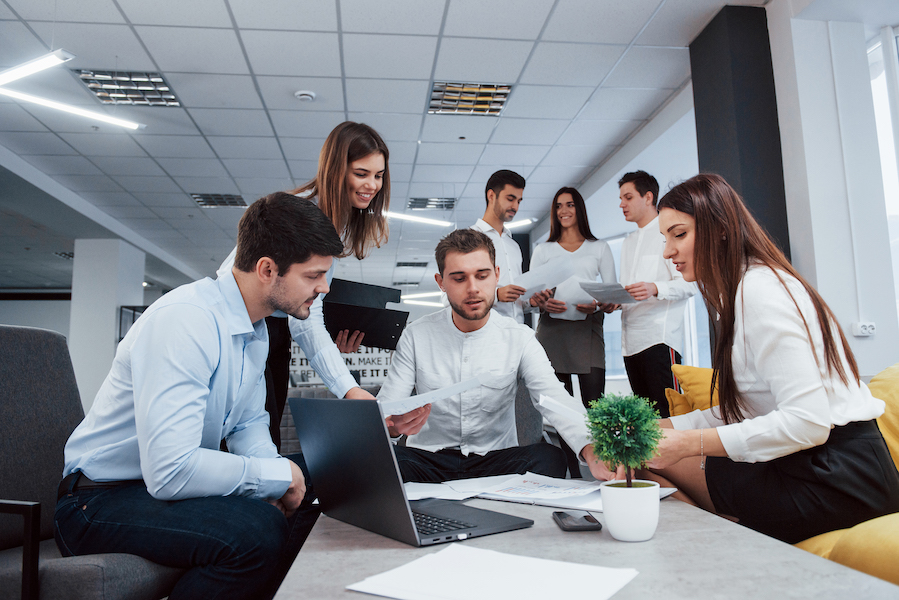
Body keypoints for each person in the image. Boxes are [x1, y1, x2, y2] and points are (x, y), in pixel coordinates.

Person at [55, 193, 346, 599]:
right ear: (267, 269)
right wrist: (273, 477)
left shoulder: (254, 329)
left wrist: (278, 480)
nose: (324, 287)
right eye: (314, 275)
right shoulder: (186, 320)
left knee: (322, 479)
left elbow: (248, 425)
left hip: (148, 488)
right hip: (97, 500)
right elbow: (171, 471)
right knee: (256, 533)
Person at [638, 173, 899, 544]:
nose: (667, 252)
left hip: (838, 478)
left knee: (646, 464)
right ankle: (720, 540)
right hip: (810, 463)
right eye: (665, 239)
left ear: (722, 229)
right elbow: (741, 407)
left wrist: (687, 443)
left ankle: (711, 545)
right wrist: (660, 429)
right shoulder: (738, 292)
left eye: (679, 235)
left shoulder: (760, 292)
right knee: (641, 453)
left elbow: (808, 423)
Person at [380, 229, 616, 484]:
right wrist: (392, 427)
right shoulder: (416, 335)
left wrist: (592, 447)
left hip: (496, 461)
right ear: (441, 282)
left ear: (497, 275)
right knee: (385, 463)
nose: (473, 289)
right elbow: (386, 408)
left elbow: (553, 397)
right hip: (429, 460)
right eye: (459, 279)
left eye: (482, 276)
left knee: (550, 459)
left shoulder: (520, 337)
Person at [218, 121, 390, 448]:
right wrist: (348, 388)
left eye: (378, 175)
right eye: (361, 173)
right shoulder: (296, 218)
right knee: (244, 442)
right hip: (244, 331)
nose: (371, 184)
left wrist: (347, 386)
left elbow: (307, 318)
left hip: (271, 336)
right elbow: (233, 277)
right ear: (337, 170)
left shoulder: (333, 224)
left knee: (262, 442)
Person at [617, 170, 697, 416]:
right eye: (621, 198)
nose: (622, 204)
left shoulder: (667, 234)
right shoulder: (628, 241)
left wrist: (655, 287)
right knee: (646, 422)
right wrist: (614, 301)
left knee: (668, 416)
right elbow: (629, 289)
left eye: (628, 197)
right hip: (630, 345)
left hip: (659, 341)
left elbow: (689, 285)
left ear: (648, 197)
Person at [530, 187, 617, 408]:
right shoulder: (543, 250)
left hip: (588, 330)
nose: (563, 210)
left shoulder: (599, 248)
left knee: (595, 407)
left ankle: (595, 445)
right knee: (561, 410)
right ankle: (569, 446)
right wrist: (544, 303)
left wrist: (597, 305)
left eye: (569, 204)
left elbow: (612, 295)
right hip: (552, 333)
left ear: (579, 208)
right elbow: (532, 296)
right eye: (558, 206)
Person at [470, 169, 529, 323]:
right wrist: (496, 295)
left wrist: (530, 303)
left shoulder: (513, 246)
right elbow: (449, 296)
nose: (515, 206)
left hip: (517, 333)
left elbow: (516, 302)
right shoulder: (468, 240)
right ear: (491, 196)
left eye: (519, 201)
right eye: (510, 198)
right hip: (486, 334)